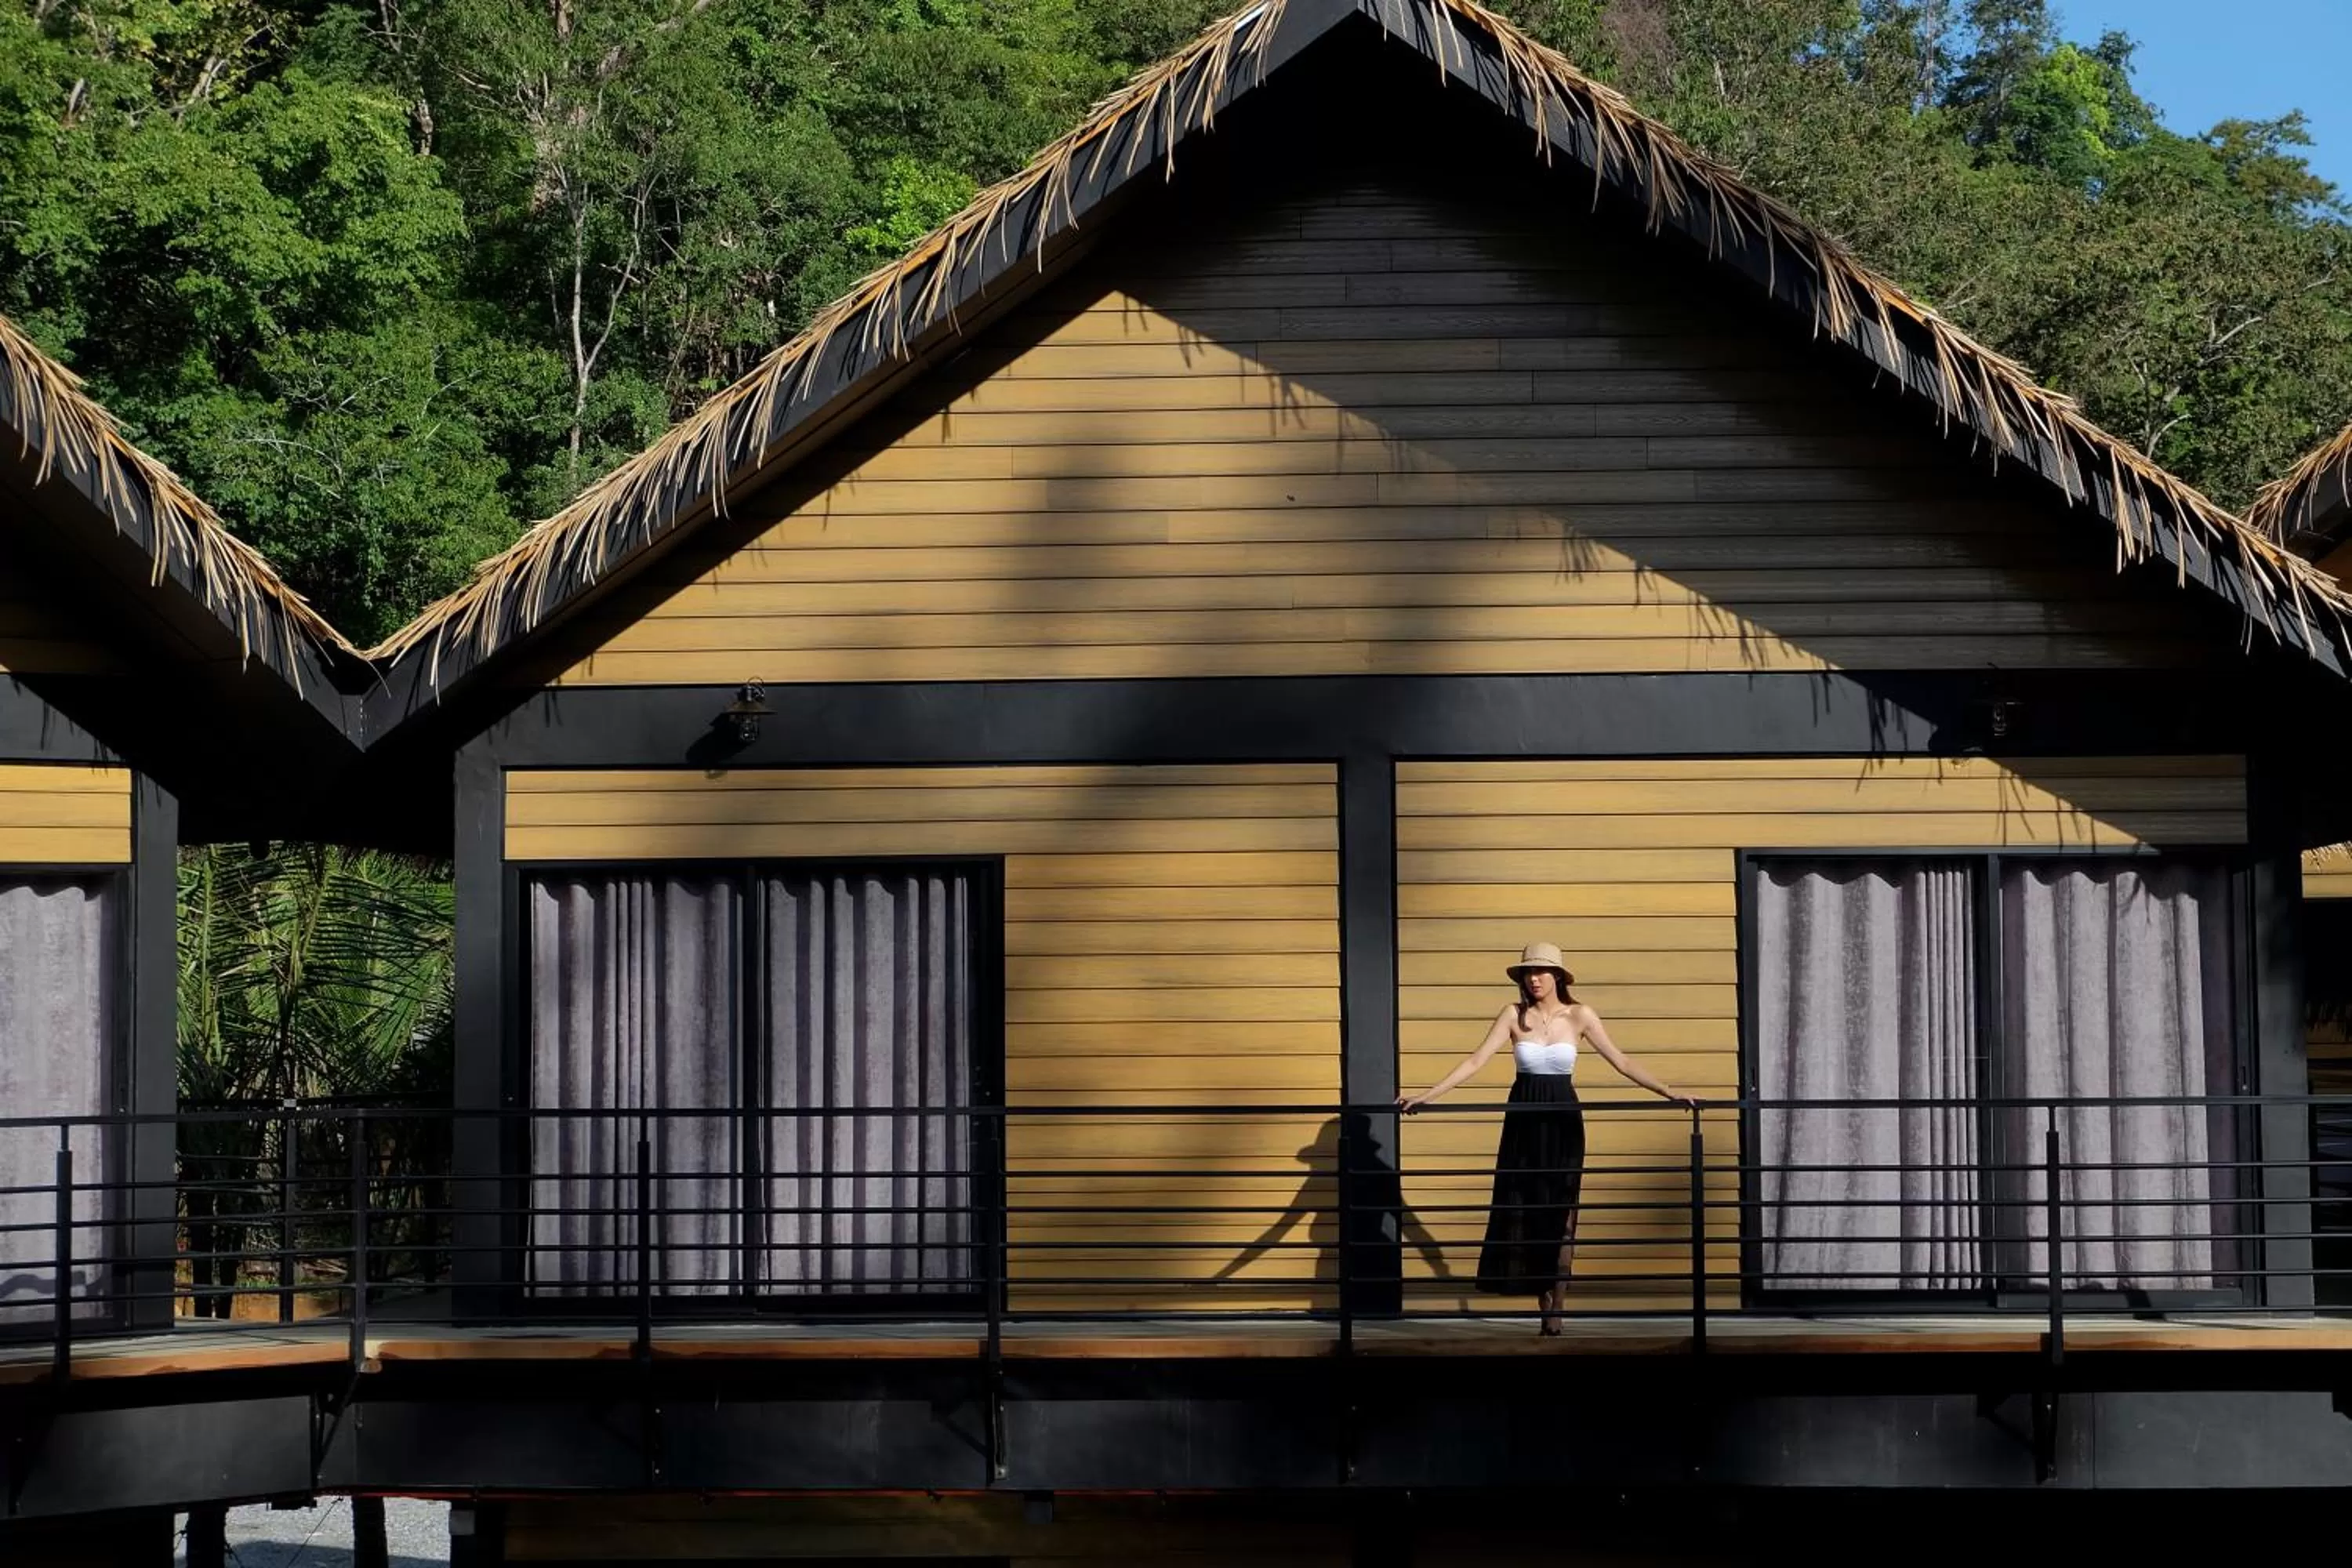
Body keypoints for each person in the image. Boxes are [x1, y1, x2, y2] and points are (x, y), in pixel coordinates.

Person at [1397, 942, 1690, 1335]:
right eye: (1527, 973)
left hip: (1563, 1121)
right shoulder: (1513, 1015)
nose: (1533, 979)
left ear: (1558, 976)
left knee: (1563, 1216)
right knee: (1528, 1210)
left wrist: (1670, 1091)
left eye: (1540, 972)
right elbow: (1474, 1061)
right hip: (1522, 1121)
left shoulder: (1580, 1015)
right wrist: (1426, 1096)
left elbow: (1622, 1061)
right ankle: (1542, 1303)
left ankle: (1558, 1307)